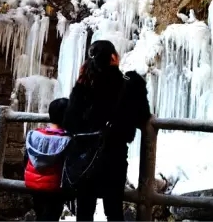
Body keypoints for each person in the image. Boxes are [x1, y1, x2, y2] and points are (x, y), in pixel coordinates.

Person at [63, 40, 152, 221]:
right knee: (114, 212)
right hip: (114, 157)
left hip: (85, 158)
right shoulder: (130, 84)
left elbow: (69, 122)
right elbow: (143, 116)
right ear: (113, 58)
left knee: (85, 212)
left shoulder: (85, 84)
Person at [24, 97, 71, 221]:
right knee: (52, 215)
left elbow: (26, 158)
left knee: (40, 213)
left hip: (34, 185)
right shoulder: (68, 141)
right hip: (55, 187)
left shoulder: (34, 135)